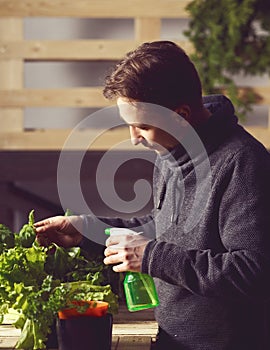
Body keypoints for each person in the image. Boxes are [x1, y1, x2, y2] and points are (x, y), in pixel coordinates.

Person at [35, 41, 270, 350]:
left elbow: (253, 272)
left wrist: (151, 257)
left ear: (180, 115)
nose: (134, 139)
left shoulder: (244, 163)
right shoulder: (171, 151)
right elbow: (161, 228)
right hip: (170, 339)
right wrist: (87, 231)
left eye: (142, 126)